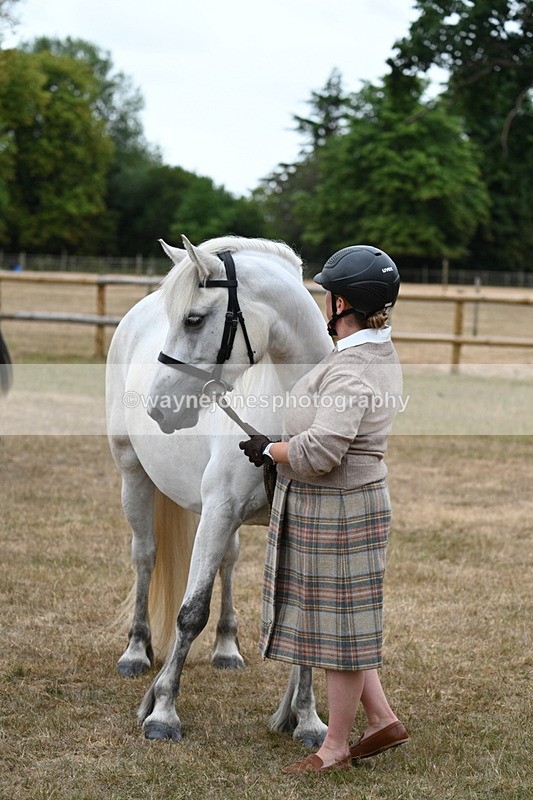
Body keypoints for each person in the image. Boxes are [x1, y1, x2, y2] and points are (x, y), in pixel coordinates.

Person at [239, 244, 408, 774]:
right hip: (336, 504)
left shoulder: (353, 369)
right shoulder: (366, 354)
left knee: (340, 637)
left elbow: (319, 452)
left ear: (343, 303)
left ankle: (333, 748)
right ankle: (380, 719)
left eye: (327, 297)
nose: (322, 305)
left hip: (338, 508)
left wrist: (271, 450)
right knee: (345, 625)